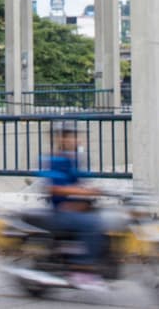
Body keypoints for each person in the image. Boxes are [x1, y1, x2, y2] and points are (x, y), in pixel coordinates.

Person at [39, 121, 109, 290]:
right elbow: (53, 187)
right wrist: (82, 192)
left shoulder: (75, 160)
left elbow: (84, 182)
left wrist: (97, 190)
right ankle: (81, 269)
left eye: (75, 136)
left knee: (104, 219)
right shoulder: (53, 159)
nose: (74, 139)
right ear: (61, 139)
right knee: (91, 224)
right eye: (70, 136)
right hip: (61, 210)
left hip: (77, 207)